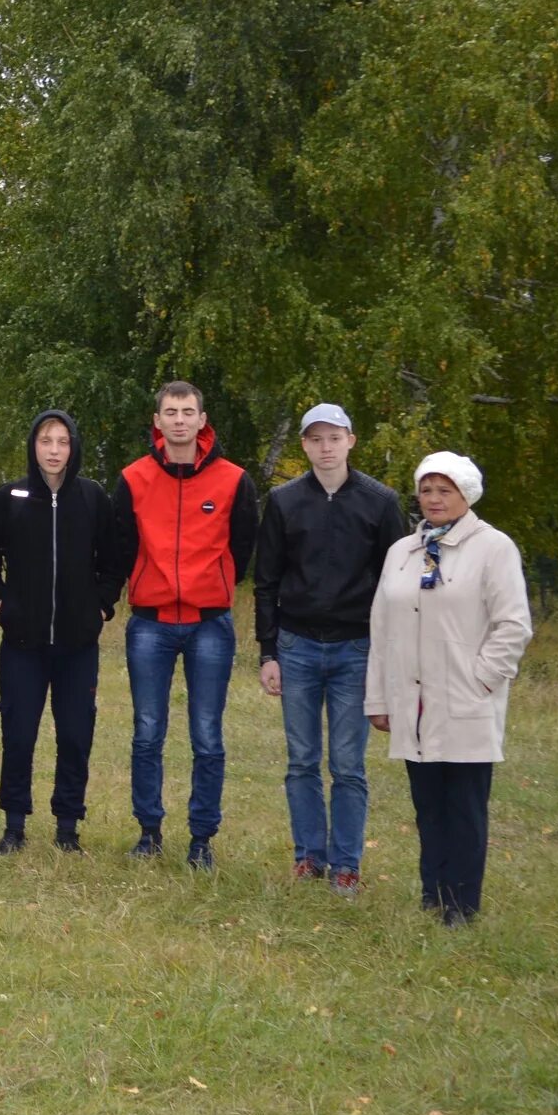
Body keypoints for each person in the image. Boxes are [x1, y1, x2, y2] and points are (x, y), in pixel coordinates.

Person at [367, 452, 532, 926]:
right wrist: (378, 698)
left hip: (465, 698)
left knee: (463, 805)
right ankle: (432, 892)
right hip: (413, 700)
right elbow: (381, 626)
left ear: (466, 494)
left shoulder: (493, 547)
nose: (434, 499)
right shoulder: (403, 551)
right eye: (426, 490)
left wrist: (482, 677)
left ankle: (462, 902)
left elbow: (513, 625)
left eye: (445, 490)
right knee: (427, 803)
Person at [254, 403, 409, 894]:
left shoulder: (381, 503)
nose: (326, 447)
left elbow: (397, 585)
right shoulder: (283, 501)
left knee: (347, 764)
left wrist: (389, 660)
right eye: (316, 439)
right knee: (301, 760)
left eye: (334, 438)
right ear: (303, 445)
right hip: (297, 646)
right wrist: (268, 651)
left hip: (355, 650)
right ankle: (308, 857)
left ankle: (346, 864)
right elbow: (266, 581)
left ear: (351, 441)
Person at [113, 380, 257, 869]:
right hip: (150, 622)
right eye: (169, 412)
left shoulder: (234, 481)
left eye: (187, 411)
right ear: (157, 421)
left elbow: (242, 548)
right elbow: (122, 546)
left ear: (202, 419)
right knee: (148, 732)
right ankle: (149, 831)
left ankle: (202, 839)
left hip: (209, 624)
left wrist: (214, 585)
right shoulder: (132, 479)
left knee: (207, 735)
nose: (178, 420)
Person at [0, 410, 130, 853]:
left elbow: (115, 559)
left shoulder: (92, 498)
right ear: (33, 445)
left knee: (74, 734)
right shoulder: (9, 498)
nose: (53, 449)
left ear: (73, 447)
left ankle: (68, 827)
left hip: (77, 645)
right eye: (45, 440)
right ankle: (13, 827)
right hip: (22, 645)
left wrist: (101, 604)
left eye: (62, 441)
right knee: (19, 732)